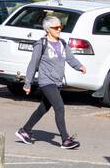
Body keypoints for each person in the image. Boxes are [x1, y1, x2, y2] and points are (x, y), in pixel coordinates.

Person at [16, 15, 86, 149]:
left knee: (42, 108)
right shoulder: (41, 44)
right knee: (59, 107)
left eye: (61, 26)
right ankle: (66, 140)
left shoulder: (62, 43)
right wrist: (27, 83)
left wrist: (79, 66)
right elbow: (33, 64)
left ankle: (25, 130)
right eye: (56, 27)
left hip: (57, 82)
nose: (59, 29)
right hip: (46, 81)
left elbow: (70, 59)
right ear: (48, 29)